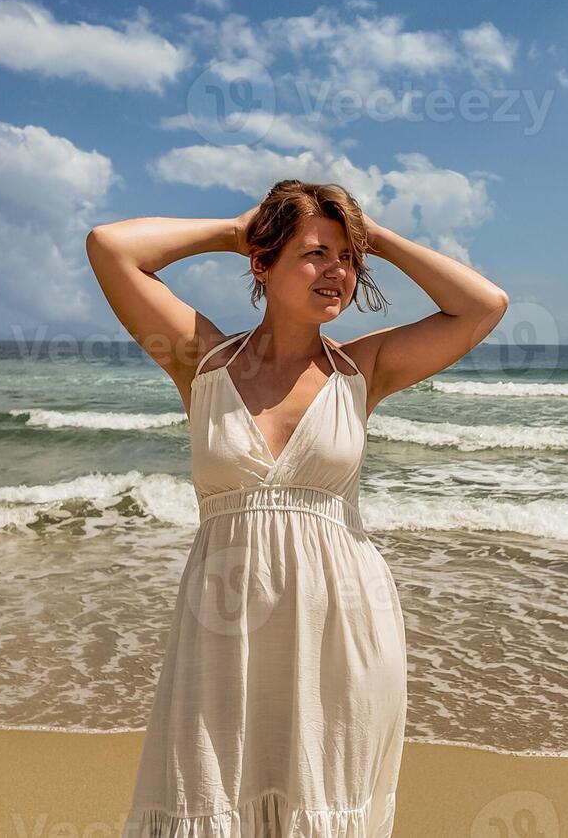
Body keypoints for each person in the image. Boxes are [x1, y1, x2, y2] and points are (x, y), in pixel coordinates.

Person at [84, 179, 509, 837]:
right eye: (315, 253)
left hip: (342, 632)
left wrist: (378, 239)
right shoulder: (201, 360)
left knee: (320, 805)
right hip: (221, 632)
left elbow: (483, 305)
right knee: (206, 794)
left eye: (347, 258)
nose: (336, 271)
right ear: (263, 262)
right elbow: (110, 249)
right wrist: (231, 230)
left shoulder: (365, 369)